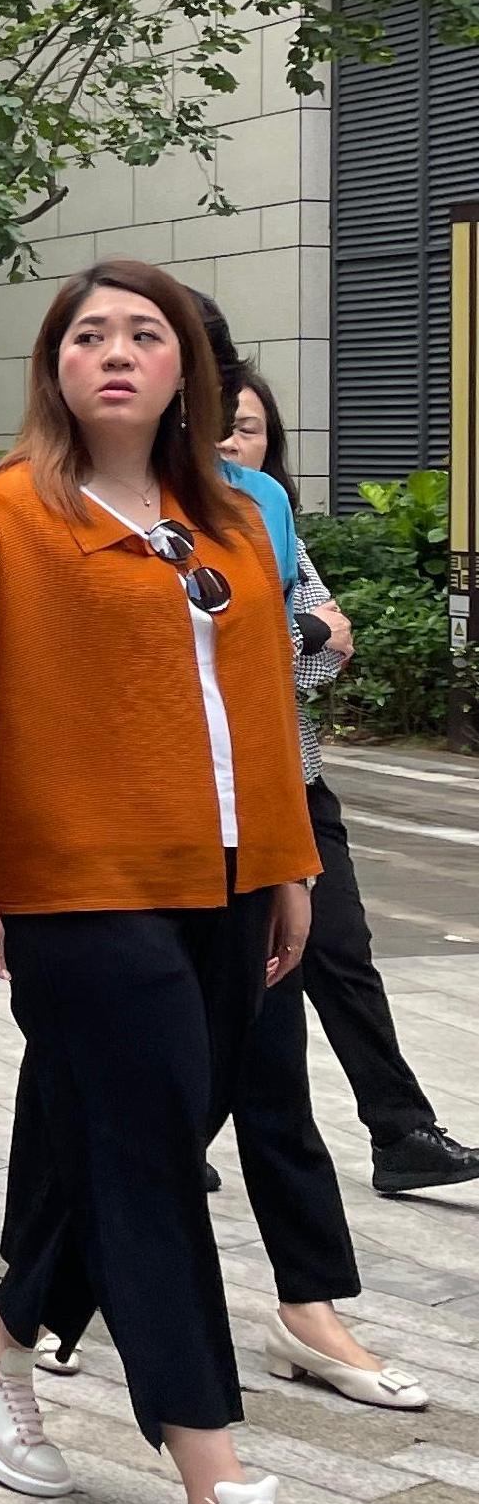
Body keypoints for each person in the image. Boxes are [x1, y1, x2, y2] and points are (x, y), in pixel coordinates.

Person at [0, 261, 345, 1504]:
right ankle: (218, 1497)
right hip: (79, 891)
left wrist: (289, 865)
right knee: (158, 1162)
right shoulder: (7, 517)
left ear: (184, 371)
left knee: (123, 1131)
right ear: (52, 365)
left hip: (222, 884)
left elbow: (262, 711)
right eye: (87, 334)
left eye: (143, 335)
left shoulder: (227, 516)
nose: (114, 353)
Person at [225, 361, 479, 1205]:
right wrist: (295, 632)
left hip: (299, 782)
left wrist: (295, 634)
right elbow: (250, 654)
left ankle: (399, 1131)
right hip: (218, 797)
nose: (233, 439)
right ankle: (161, 1139)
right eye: (219, 423)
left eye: (250, 426)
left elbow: (328, 655)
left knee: (340, 952)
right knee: (236, 983)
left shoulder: (276, 523)